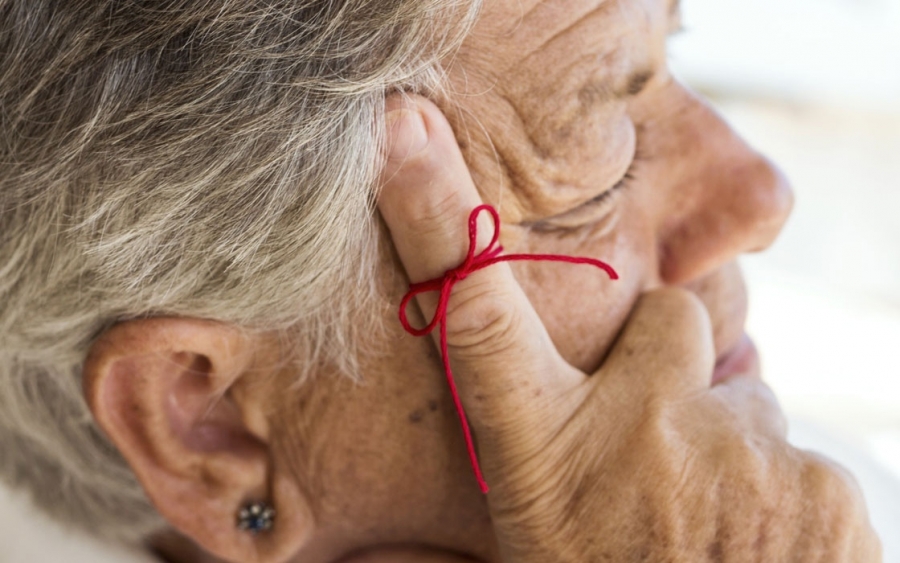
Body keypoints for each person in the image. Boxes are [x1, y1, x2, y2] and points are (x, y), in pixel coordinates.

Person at [0, 0, 881, 562]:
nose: (761, 196)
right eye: (599, 166)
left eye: (672, 49)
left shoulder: (813, 504)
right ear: (207, 421)